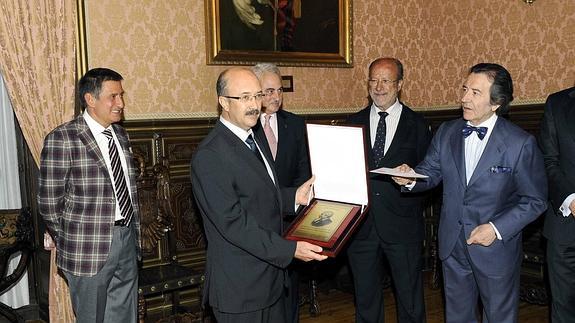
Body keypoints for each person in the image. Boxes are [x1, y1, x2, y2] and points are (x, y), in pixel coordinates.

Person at [392, 63, 548, 322]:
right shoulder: (447, 132)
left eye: (475, 92)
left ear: (496, 102)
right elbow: (429, 172)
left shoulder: (520, 144)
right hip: (452, 245)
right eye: (465, 89)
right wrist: (408, 178)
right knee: (457, 317)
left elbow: (535, 200)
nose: (464, 97)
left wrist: (496, 229)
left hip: (495, 249)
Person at [191, 67, 327, 323]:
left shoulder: (253, 138)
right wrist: (290, 249)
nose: (255, 105)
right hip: (241, 288)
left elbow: (258, 194)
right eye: (244, 98)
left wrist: (292, 197)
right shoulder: (211, 155)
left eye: (257, 96)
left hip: (269, 281)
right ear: (223, 102)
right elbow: (233, 223)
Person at [38, 68, 141, 323]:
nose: (121, 103)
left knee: (124, 316)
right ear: (90, 99)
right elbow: (49, 203)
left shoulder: (120, 134)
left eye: (121, 95)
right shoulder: (63, 138)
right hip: (87, 249)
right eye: (113, 96)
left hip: (127, 238)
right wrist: (72, 239)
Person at [345, 57, 431, 323]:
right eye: (373, 80)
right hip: (360, 227)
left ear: (400, 85)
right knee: (366, 299)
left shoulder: (418, 125)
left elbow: (431, 177)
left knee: (410, 301)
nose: (379, 87)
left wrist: (411, 181)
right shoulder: (352, 123)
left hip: (402, 227)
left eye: (386, 80)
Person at [251, 62, 311, 323]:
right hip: (257, 226)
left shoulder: (295, 125)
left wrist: (292, 205)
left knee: (289, 296)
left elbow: (303, 170)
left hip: (290, 222)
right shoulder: (246, 128)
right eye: (268, 91)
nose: (275, 97)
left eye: (279, 90)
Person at [538, 86, 575, 322]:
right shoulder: (558, 103)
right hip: (565, 229)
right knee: (563, 311)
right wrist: (571, 199)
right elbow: (547, 160)